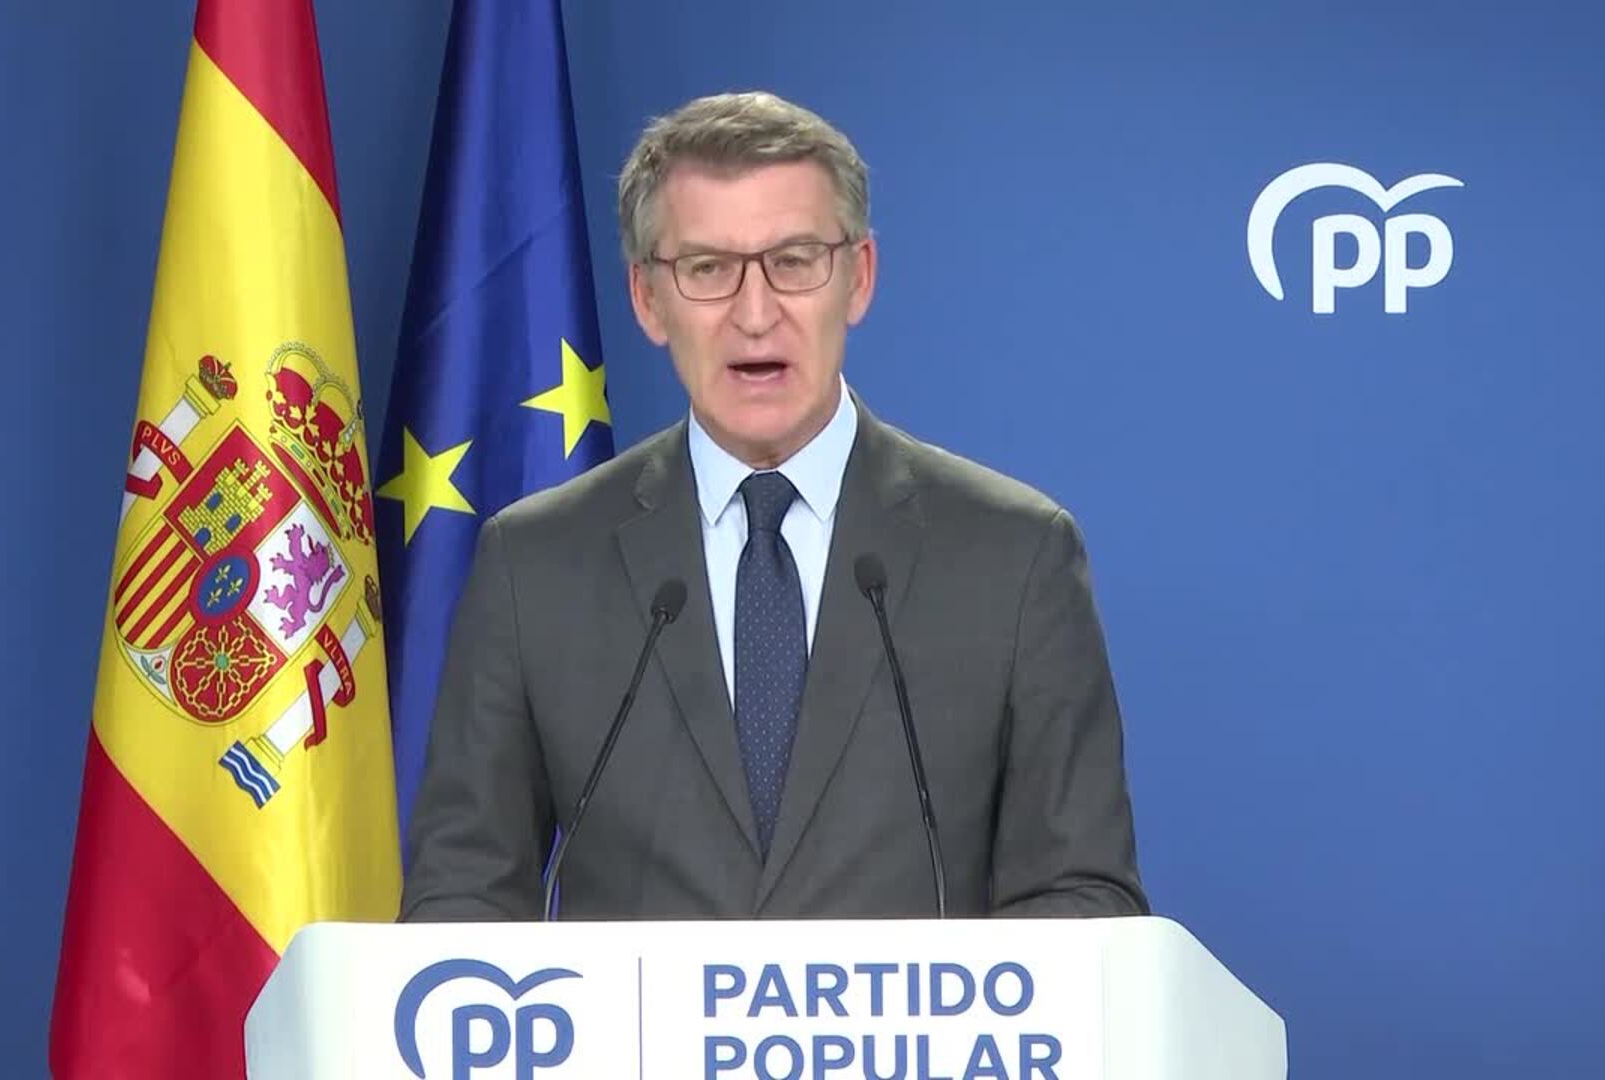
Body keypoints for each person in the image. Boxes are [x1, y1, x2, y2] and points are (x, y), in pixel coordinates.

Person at [400, 91, 1146, 919]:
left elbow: (1085, 899)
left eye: (794, 261)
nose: (755, 315)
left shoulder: (1014, 557)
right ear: (647, 298)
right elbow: (459, 900)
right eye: (707, 269)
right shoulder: (535, 565)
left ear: (859, 277)